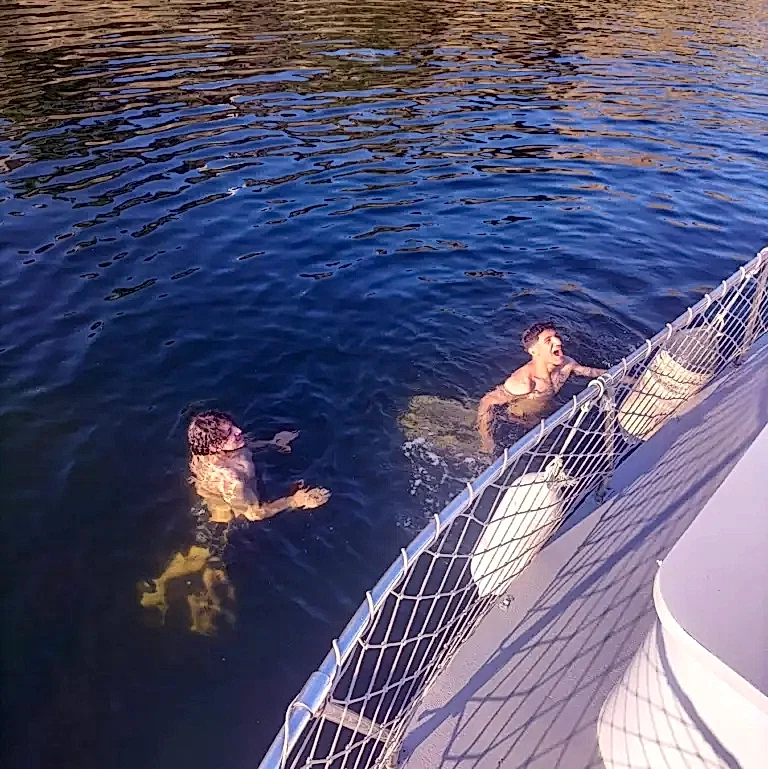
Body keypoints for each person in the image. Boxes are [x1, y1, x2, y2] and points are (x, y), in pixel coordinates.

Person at [139, 410, 330, 634]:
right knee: (206, 559)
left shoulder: (210, 449)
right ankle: (167, 596)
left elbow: (242, 448)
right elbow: (253, 513)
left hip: (212, 508)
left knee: (200, 555)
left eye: (232, 427)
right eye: (229, 433)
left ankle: (159, 588)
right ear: (214, 447)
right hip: (223, 523)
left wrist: (270, 444)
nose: (239, 431)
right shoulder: (230, 480)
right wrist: (295, 500)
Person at [476, 322, 607, 454]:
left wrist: (618, 376)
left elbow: (591, 372)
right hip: (517, 422)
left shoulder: (566, 364)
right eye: (548, 340)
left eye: (556, 336)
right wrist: (486, 441)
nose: (558, 342)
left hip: (545, 415)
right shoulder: (525, 382)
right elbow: (487, 402)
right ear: (534, 351)